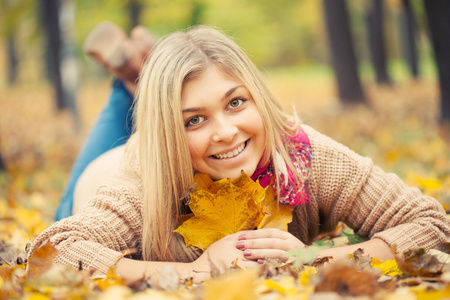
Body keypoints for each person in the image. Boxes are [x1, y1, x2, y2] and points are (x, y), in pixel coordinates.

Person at [30, 25, 450, 286]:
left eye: (235, 103)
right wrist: (191, 273)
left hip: (165, 140)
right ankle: (129, 85)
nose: (227, 131)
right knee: (123, 128)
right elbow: (50, 252)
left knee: (176, 107)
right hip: (99, 177)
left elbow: (432, 226)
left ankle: (145, 74)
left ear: (259, 98)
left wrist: (310, 257)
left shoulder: (305, 155)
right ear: (171, 135)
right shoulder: (144, 180)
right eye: (193, 120)